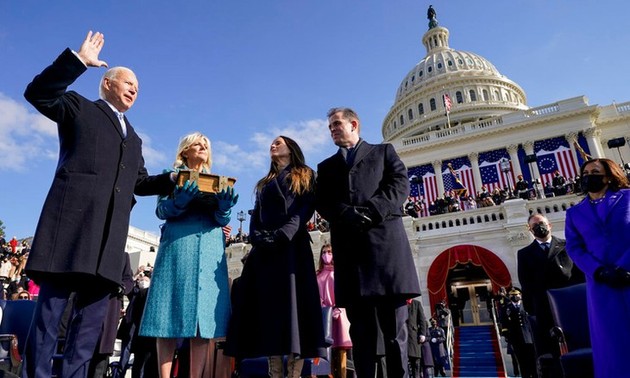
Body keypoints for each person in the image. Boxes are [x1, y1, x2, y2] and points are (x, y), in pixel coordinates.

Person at [21, 31, 175, 378]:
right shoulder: (78, 107)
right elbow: (38, 93)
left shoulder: (134, 138)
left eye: (138, 86)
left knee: (88, 329)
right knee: (50, 319)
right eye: (128, 82)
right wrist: (77, 61)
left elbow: (139, 182)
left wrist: (173, 179)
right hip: (71, 230)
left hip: (108, 243)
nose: (135, 89)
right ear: (107, 82)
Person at [315, 107, 421, 378]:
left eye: (337, 124)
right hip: (352, 261)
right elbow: (323, 202)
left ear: (354, 124)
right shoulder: (326, 168)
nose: (333, 129)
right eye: (330, 127)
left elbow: (399, 185)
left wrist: (372, 210)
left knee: (395, 334)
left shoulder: (383, 152)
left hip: (386, 255)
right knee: (361, 337)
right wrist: (345, 213)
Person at [226, 136, 326, 378]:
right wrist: (258, 238)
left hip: (292, 250)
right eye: (271, 143)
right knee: (268, 311)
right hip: (266, 254)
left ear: (291, 149)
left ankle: (294, 372)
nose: (273, 145)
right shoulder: (264, 183)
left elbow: (304, 209)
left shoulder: (306, 174)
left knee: (294, 311)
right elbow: (256, 215)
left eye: (278, 142)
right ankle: (274, 370)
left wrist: (283, 234)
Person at [139, 132, 238, 378]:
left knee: (202, 323)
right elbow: (161, 210)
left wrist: (224, 209)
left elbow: (221, 219)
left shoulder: (218, 181)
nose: (203, 147)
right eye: (198, 143)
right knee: (167, 317)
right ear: (185, 151)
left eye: (206, 145)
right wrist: (179, 202)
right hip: (177, 249)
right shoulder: (170, 176)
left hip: (209, 251)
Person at [564, 158, 630, 378]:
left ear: (609, 176)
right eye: (585, 173)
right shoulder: (574, 213)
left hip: (628, 274)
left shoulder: (628, 198)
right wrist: (599, 271)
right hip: (602, 285)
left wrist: (623, 266)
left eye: (594, 171)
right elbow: (574, 248)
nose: (588, 176)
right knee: (612, 342)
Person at [517, 213, 584, 358]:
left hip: (571, 304)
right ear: (530, 230)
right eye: (534, 226)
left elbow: (579, 275)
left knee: (579, 347)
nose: (539, 227)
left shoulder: (567, 245)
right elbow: (526, 284)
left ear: (550, 225)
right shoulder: (524, 254)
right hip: (545, 309)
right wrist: (531, 309)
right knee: (553, 351)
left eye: (541, 223)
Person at [316, 243, 352, 378]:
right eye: (324, 252)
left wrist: (338, 307)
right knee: (325, 349)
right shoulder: (318, 275)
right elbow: (316, 295)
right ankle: (326, 374)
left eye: (329, 252)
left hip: (339, 313)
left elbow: (344, 291)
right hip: (324, 315)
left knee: (341, 349)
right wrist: (323, 307)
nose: (326, 255)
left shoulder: (339, 272)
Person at [501, 288, 536, 378]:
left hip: (529, 338)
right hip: (516, 339)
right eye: (513, 295)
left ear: (520, 295)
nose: (515, 297)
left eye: (517, 295)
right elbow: (504, 322)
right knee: (522, 361)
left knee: (532, 360)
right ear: (509, 296)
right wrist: (507, 335)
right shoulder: (506, 308)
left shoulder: (526, 306)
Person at [406, 298, 432, 378]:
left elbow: (422, 321)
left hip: (413, 338)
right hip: (402, 338)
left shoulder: (417, 304)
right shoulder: (400, 303)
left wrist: (423, 334)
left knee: (415, 363)